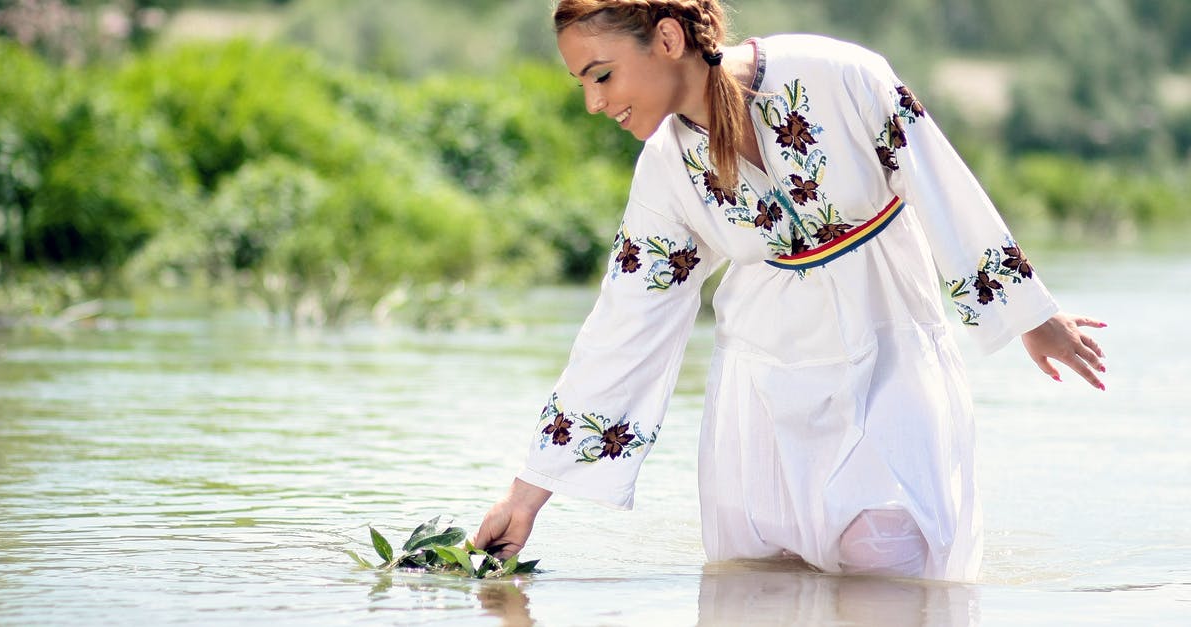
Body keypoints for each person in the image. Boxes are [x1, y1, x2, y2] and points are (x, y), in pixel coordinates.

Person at [473, 0, 1107, 582]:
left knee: (891, 571)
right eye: (582, 81)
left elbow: (938, 181)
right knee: (758, 592)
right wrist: (526, 496)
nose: (592, 101)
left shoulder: (837, 75)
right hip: (761, 403)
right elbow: (624, 325)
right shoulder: (668, 168)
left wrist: (1031, 314)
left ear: (667, 38)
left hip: (890, 364)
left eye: (601, 75)